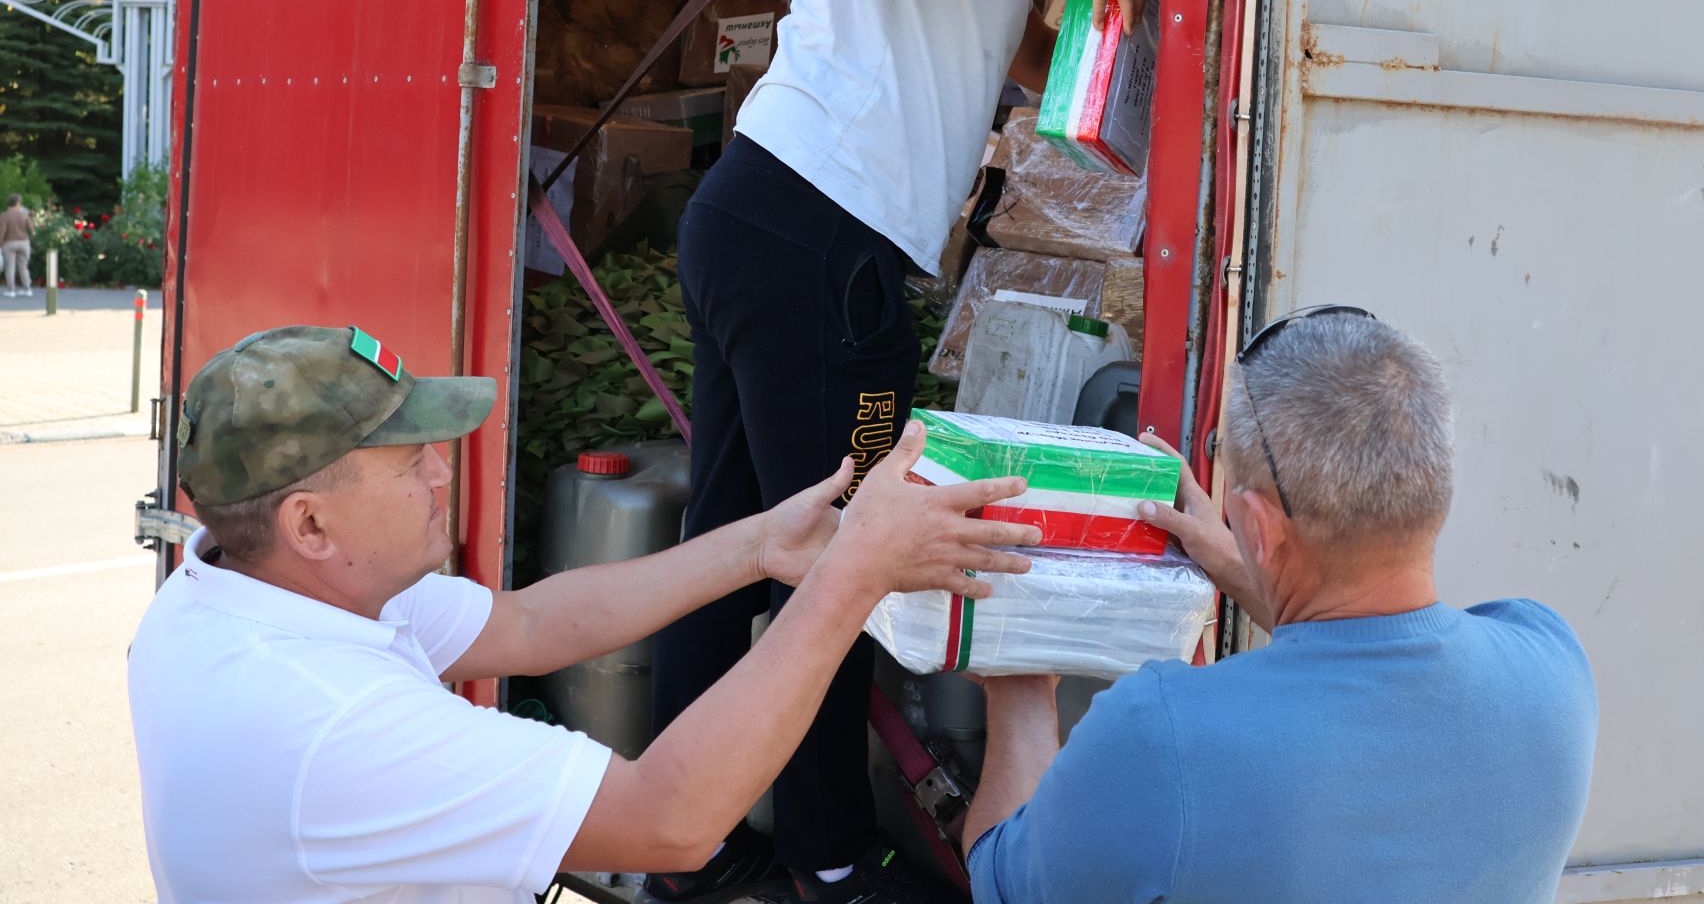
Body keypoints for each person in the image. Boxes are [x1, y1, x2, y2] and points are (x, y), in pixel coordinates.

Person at [649, 0, 1160, 904]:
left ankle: (687, 844)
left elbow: (1025, 70)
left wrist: (1097, 50)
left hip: (759, 222)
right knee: (845, 556)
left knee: (732, 549)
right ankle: (834, 858)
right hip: (822, 245)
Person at [127, 324, 1040, 903]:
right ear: (311, 522)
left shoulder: (225, 590)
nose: (445, 474)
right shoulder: (333, 724)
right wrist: (855, 575)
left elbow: (529, 625)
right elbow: (671, 817)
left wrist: (761, 545)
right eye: (410, 464)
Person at [962, 308, 1599, 904]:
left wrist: (1018, 676)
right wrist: (1246, 566)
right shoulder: (1552, 664)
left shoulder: (1163, 737)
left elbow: (1000, 881)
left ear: (1262, 529)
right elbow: (1375, 649)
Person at [1, 193, 31, 297]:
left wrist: (0, 243)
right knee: (23, 267)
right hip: (24, 242)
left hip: (9, 243)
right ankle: (27, 289)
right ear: (18, 203)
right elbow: (31, 229)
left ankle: (11, 290)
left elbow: (2, 231)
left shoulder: (4, 215)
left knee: (10, 267)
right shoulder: (24, 214)